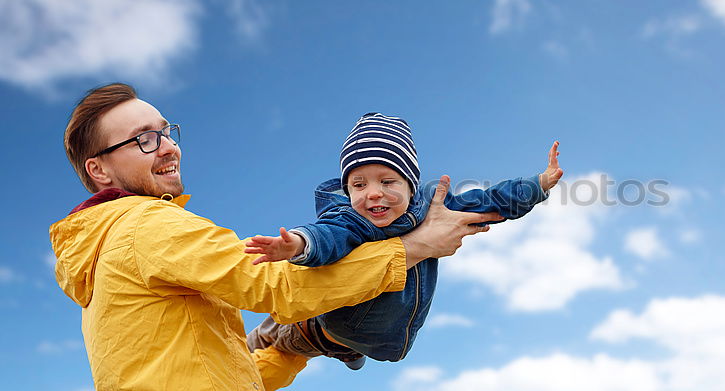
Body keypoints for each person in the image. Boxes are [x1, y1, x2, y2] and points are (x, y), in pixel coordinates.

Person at [49, 83, 500, 391]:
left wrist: (294, 348)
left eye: (166, 132)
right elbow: (278, 286)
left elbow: (223, 376)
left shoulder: (101, 253)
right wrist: (415, 247)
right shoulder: (145, 227)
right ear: (99, 169)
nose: (168, 146)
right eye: (144, 139)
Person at [244, 113, 563, 369]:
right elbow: (328, 234)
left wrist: (538, 184)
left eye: (387, 181)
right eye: (358, 184)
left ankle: (350, 351)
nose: (372, 193)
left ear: (410, 186)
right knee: (262, 343)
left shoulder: (434, 210)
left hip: (369, 334)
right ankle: (260, 344)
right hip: (311, 329)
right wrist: (298, 244)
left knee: (349, 343)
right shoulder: (354, 220)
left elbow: (488, 201)